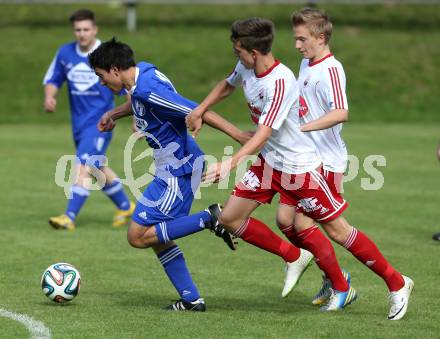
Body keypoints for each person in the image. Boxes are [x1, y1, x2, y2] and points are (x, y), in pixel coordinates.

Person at [186, 17, 356, 312]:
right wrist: (201, 108)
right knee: (259, 220)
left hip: (313, 161)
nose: (296, 44)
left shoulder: (299, 75)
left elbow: (269, 131)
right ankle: (312, 266)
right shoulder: (278, 66)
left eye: (302, 38)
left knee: (320, 228)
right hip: (278, 159)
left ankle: (354, 284)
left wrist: (231, 162)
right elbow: (228, 85)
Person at [88, 37, 264, 311]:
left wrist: (239, 134)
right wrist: (114, 114)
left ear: (113, 69)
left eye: (101, 76)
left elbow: (196, 109)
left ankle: (211, 218)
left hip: (177, 171)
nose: (101, 83)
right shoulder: (142, 73)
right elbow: (138, 102)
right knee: (157, 236)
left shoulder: (145, 88)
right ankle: (192, 299)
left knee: (137, 236)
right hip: (173, 167)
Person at [280, 7, 413, 320]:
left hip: (325, 161)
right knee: (286, 220)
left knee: (334, 231)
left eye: (302, 39)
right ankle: (334, 278)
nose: (297, 46)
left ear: (321, 37)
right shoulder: (306, 62)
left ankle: (396, 283)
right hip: (302, 160)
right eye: (295, 39)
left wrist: (303, 128)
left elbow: (341, 112)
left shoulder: (331, 69)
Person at [43, 9, 133, 230]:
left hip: (100, 124)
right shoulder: (65, 53)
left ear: (95, 29)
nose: (82, 34)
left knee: (84, 164)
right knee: (95, 167)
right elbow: (53, 78)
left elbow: (128, 86)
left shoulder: (106, 56)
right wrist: (49, 97)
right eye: (77, 30)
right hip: (78, 125)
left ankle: (69, 216)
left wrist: (136, 117)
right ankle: (125, 206)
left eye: (86, 29)